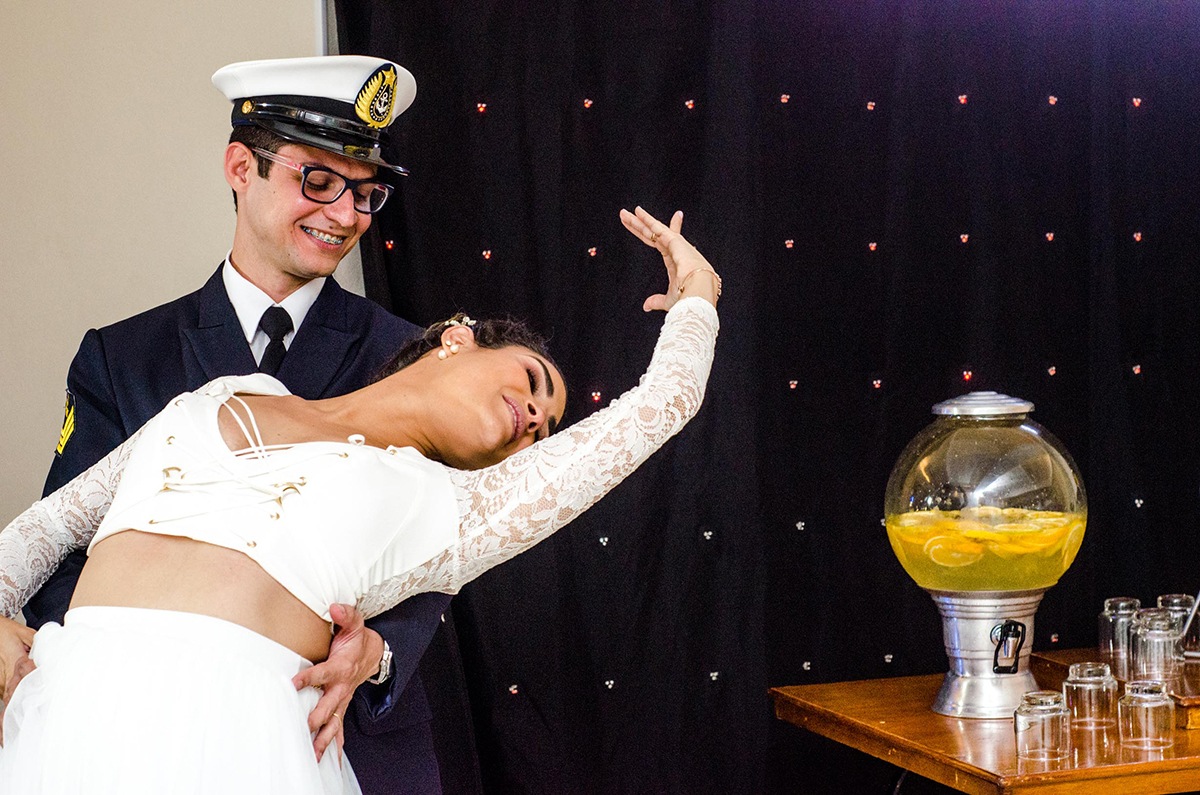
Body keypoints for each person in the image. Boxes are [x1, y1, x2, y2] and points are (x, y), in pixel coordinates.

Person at [0, 204, 721, 794]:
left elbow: (664, 403)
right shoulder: (218, 396)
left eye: (545, 428)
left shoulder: (455, 507)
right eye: (532, 381)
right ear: (456, 340)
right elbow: (50, 525)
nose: (536, 416)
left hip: (235, 743)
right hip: (61, 718)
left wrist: (698, 293)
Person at [10, 55, 453, 793]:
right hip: (140, 739)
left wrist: (378, 652)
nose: (345, 215)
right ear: (241, 167)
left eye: (364, 193)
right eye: (319, 180)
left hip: (341, 735)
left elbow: (444, 546)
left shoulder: (409, 359)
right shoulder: (124, 357)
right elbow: (62, 557)